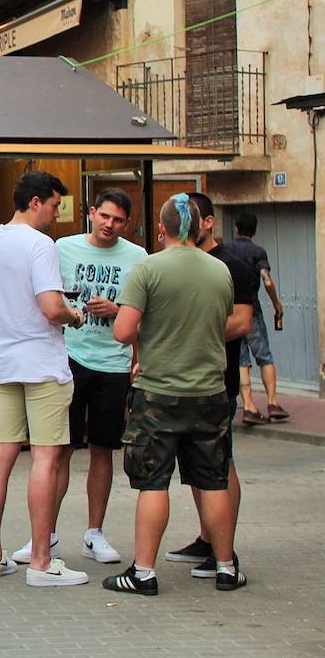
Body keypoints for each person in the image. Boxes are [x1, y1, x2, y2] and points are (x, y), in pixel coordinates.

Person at [103, 194, 245, 595]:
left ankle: (144, 573)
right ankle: (226, 567)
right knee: (213, 480)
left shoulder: (148, 269)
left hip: (159, 393)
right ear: (199, 228)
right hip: (210, 392)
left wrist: (149, 326)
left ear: (162, 229)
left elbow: (123, 332)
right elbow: (219, 322)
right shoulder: (220, 270)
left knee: (153, 483)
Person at [0, 171, 88, 586]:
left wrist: (8, 317)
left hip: (4, 362)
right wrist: (75, 315)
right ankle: (41, 561)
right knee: (46, 458)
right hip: (42, 363)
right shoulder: (40, 245)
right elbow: (52, 307)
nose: (56, 214)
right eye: (54, 205)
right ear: (35, 202)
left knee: (1, 456)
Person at [21, 189, 146, 567]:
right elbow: (44, 296)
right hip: (69, 359)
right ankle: (45, 536)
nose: (110, 224)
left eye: (118, 220)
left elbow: (146, 311)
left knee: (103, 449)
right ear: (92, 213)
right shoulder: (62, 248)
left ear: (127, 224)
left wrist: (117, 309)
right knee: (59, 449)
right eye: (105, 216)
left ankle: (95, 533)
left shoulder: (138, 257)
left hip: (113, 363)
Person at [161, 192, 254, 578]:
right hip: (182, 382)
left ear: (207, 222)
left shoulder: (231, 265)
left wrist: (192, 334)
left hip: (218, 381)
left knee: (220, 465)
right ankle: (207, 537)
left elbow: (242, 322)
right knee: (197, 467)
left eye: (191, 217)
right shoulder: (178, 263)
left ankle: (224, 551)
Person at [227, 213, 288, 424]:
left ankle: (249, 406)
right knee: (264, 356)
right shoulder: (258, 251)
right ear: (254, 230)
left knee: (241, 360)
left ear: (236, 228)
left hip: (231, 312)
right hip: (252, 310)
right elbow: (267, 281)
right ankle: (272, 403)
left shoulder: (226, 250)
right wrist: (276, 303)